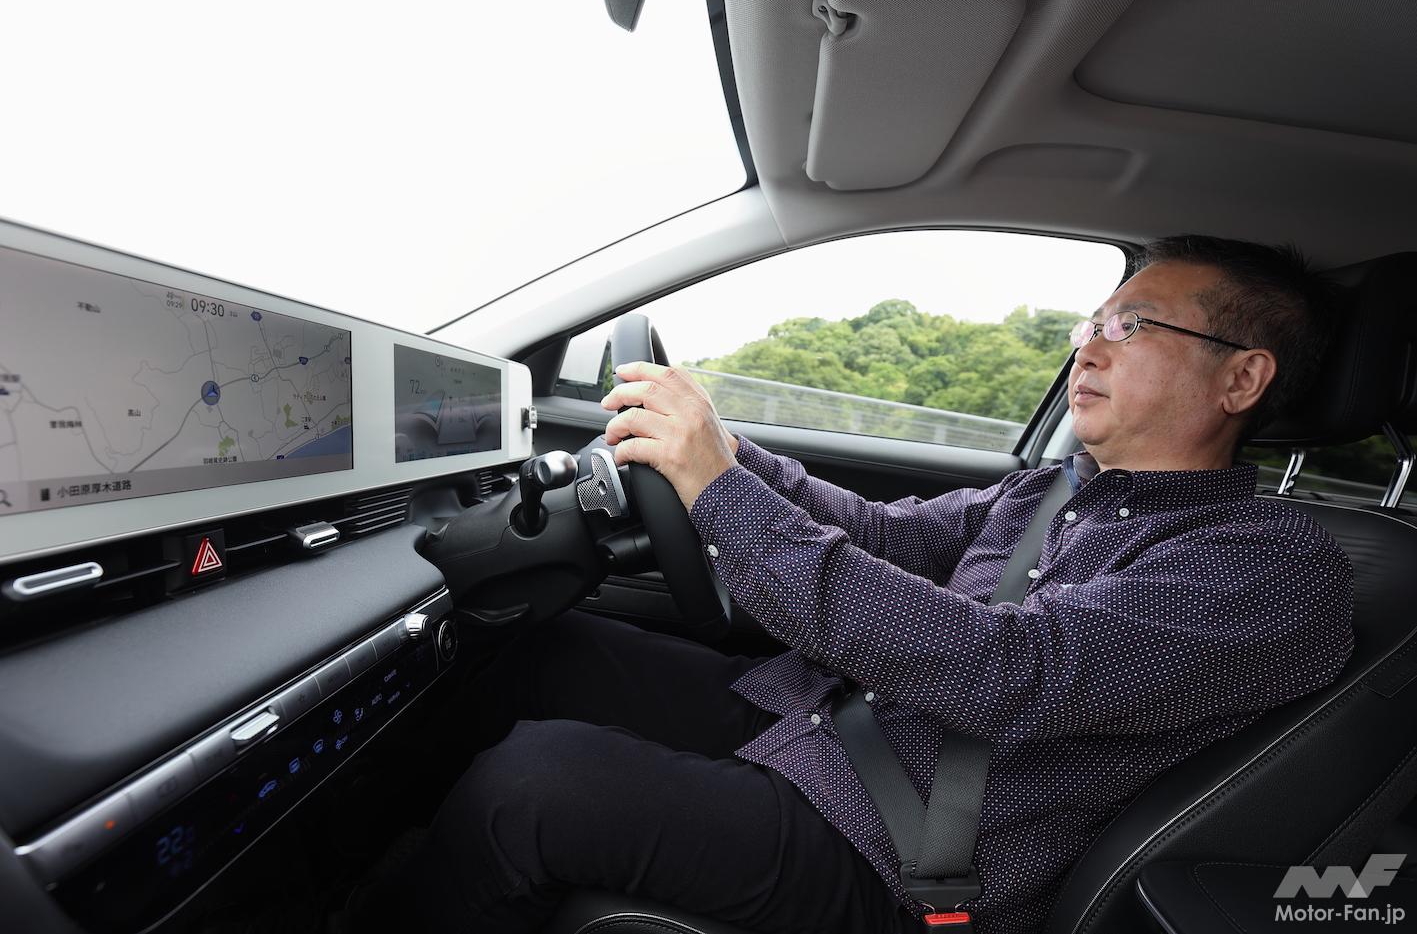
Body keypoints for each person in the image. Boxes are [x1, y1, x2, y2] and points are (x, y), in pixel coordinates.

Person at [392, 236, 1355, 934]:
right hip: (834, 726)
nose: (1087, 349)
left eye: (1129, 326)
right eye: (1090, 323)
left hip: (903, 849)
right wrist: (725, 450)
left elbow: (1012, 671)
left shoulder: (1268, 567)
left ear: (1240, 380)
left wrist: (718, 489)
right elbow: (885, 537)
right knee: (535, 655)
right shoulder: (1056, 489)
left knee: (532, 785)